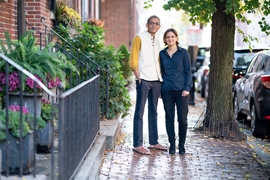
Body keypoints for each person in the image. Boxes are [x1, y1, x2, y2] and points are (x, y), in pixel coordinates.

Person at [129, 15, 167, 155]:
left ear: (159, 26)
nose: (154, 25)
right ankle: (137, 144)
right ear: (147, 25)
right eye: (151, 23)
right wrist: (136, 72)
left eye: (156, 24)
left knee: (154, 111)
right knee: (140, 111)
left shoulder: (157, 41)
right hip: (144, 79)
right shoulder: (139, 37)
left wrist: (161, 78)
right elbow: (133, 57)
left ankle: (153, 141)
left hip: (156, 80)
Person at [159, 28, 193, 155]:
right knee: (169, 118)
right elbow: (160, 72)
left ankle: (182, 145)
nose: (170, 39)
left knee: (182, 119)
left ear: (176, 38)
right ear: (165, 39)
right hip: (167, 90)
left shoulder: (183, 53)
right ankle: (172, 144)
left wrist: (187, 88)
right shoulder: (162, 54)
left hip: (181, 91)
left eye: (172, 36)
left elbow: (188, 72)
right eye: (168, 37)